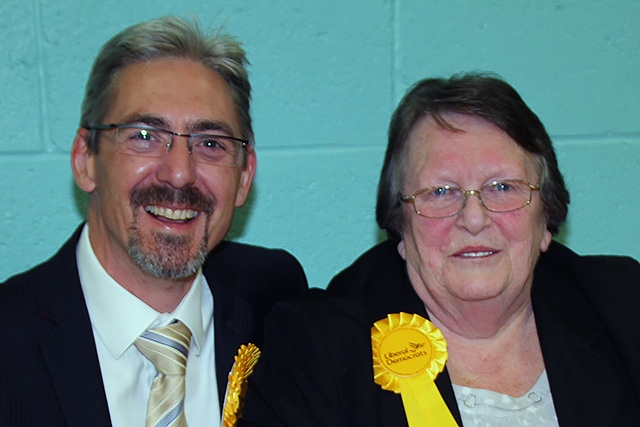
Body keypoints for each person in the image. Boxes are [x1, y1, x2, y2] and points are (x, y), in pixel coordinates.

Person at [239, 73, 640, 426]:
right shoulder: (319, 347)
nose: (474, 218)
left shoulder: (622, 306)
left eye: (503, 187)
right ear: (400, 224)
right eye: (440, 192)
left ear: (546, 219)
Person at [0, 16, 307, 427]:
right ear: (85, 159)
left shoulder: (277, 301)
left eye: (210, 143)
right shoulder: (8, 341)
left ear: (245, 176)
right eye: (144, 136)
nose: (179, 172)